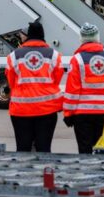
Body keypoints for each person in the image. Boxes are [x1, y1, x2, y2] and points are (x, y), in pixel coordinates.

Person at [6, 21, 63, 152]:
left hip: (21, 110)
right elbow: (56, 79)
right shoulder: (54, 55)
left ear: (28, 35)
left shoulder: (14, 56)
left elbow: (11, 81)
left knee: (23, 149)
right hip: (47, 110)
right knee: (44, 149)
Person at [63, 23, 104, 154]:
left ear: (81, 38)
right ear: (98, 37)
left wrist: (68, 114)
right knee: (102, 150)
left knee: (84, 151)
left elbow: (72, 90)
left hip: (82, 114)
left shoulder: (77, 59)